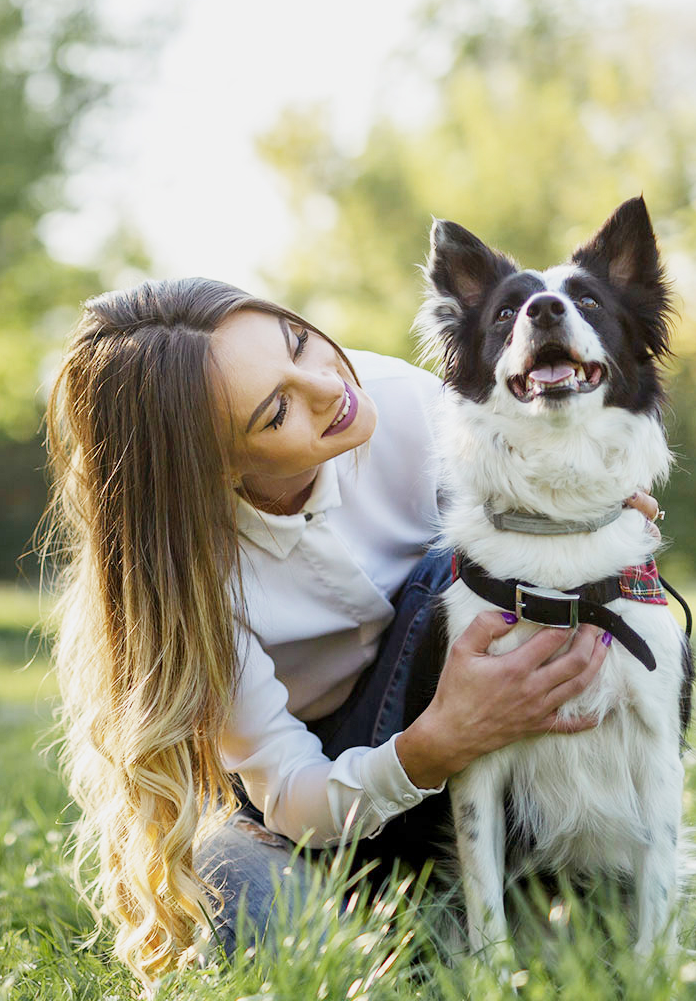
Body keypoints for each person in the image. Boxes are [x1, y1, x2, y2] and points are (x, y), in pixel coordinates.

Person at [45, 278, 659, 986]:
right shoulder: (192, 578)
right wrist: (436, 743)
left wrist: (588, 507)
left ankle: (526, 898)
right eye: (277, 411)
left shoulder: (407, 405)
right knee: (230, 875)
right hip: (319, 811)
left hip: (481, 777)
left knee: (466, 569)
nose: (326, 387)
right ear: (216, 471)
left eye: (299, 342)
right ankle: (409, 938)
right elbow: (292, 787)